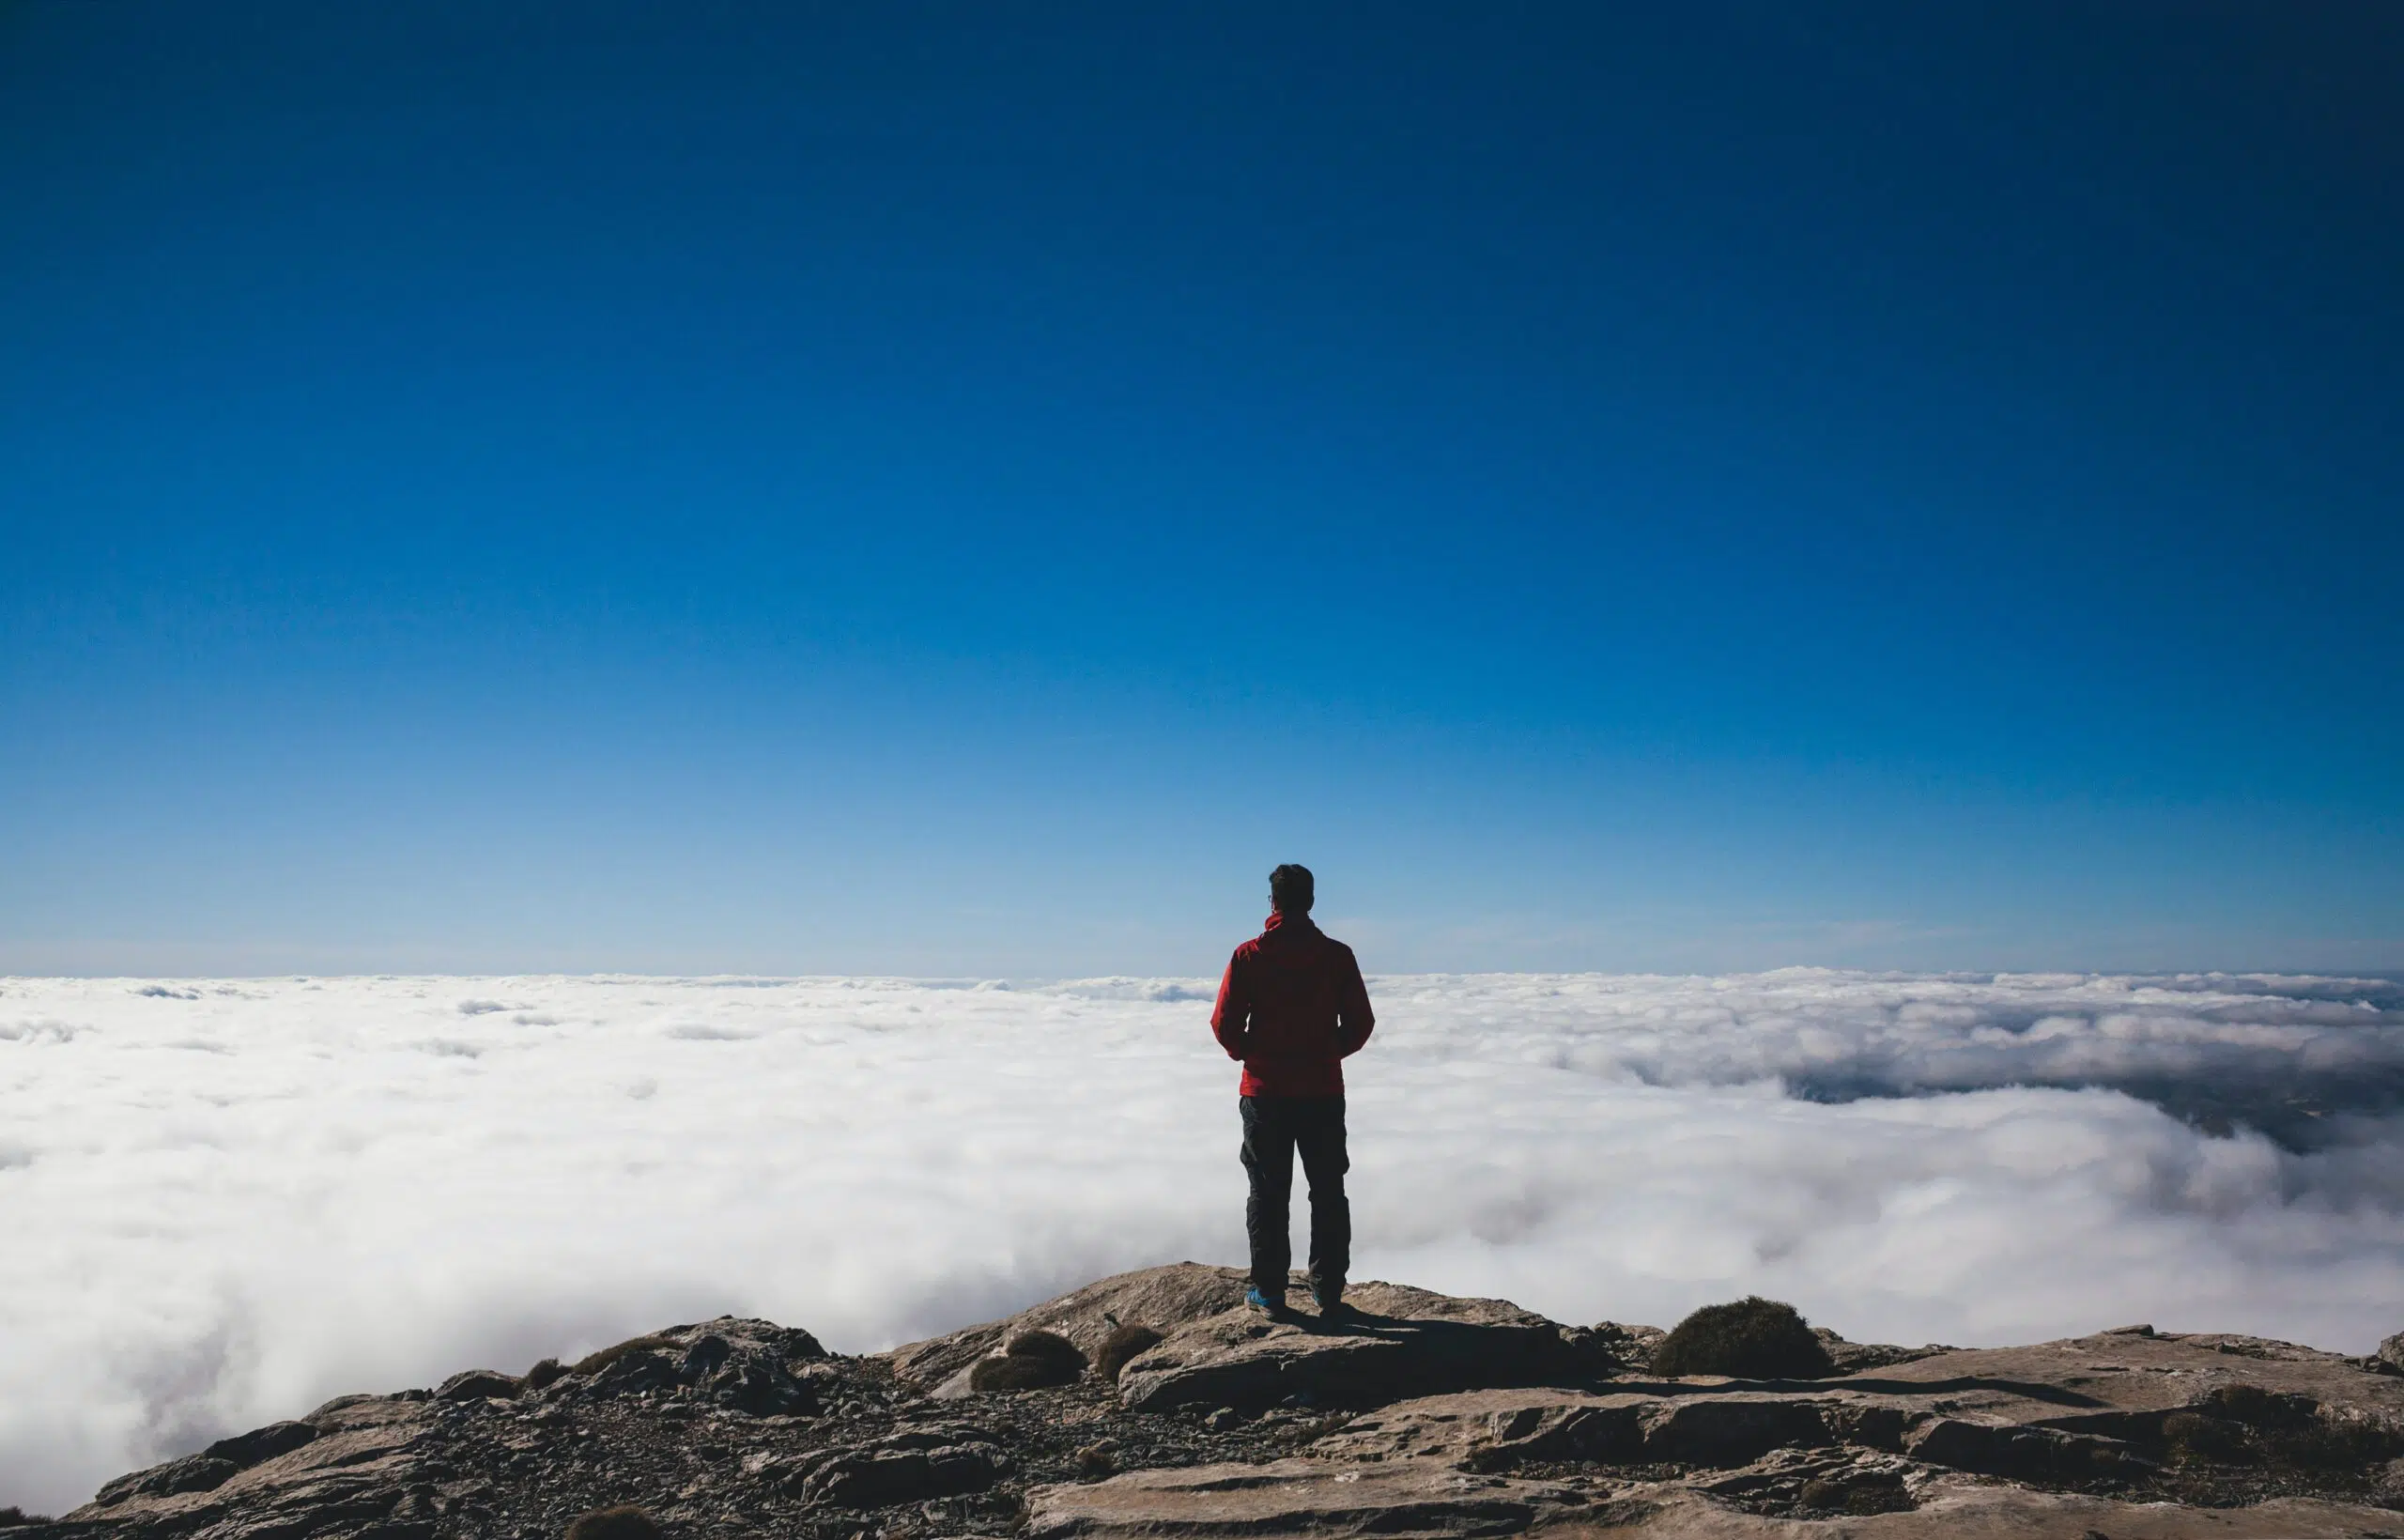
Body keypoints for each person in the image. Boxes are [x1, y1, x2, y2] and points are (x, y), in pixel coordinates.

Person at [1210, 863, 1375, 1316]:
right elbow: (1362, 1024)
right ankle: (1328, 1289)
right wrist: (1325, 1055)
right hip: (1322, 1092)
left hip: (1264, 1094)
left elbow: (1223, 1024)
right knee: (1327, 1189)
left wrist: (1253, 1056)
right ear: (1312, 901)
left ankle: (1270, 1291)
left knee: (1267, 1192)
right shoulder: (1337, 956)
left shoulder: (1249, 956)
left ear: (1273, 903)